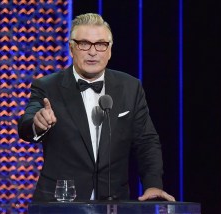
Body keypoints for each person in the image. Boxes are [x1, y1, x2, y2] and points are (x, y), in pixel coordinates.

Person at [18, 13, 175, 202]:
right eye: (84, 44)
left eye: (100, 44)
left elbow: (146, 141)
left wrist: (153, 185)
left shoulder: (130, 87)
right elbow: (26, 124)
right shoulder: (47, 86)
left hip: (114, 202)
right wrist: (38, 123)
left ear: (109, 50)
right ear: (71, 48)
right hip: (60, 202)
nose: (93, 52)